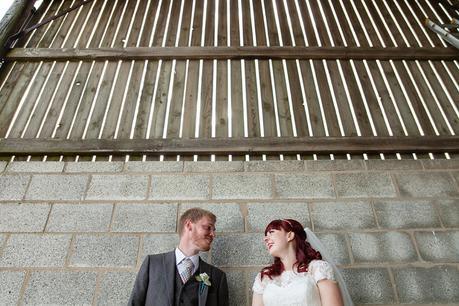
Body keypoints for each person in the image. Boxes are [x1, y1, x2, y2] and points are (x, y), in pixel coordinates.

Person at [129, 207, 229, 306]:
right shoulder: (152, 264)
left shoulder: (218, 277)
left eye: (213, 230)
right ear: (189, 225)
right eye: (208, 227)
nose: (213, 234)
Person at [252, 219, 351, 306]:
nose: (265, 239)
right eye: (266, 235)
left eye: (271, 232)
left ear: (290, 235)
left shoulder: (318, 269)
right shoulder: (264, 277)